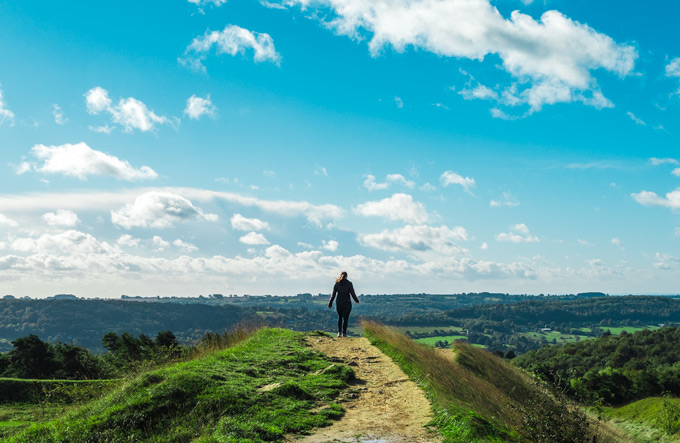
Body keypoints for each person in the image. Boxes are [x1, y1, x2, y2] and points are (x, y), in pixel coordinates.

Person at [328, 271, 359, 337]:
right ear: (346, 276)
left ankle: (339, 333)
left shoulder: (337, 283)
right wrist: (356, 300)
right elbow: (352, 293)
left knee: (340, 318)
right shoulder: (349, 283)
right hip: (347, 302)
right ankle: (344, 334)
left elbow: (333, 294)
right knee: (346, 318)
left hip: (339, 302)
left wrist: (330, 302)